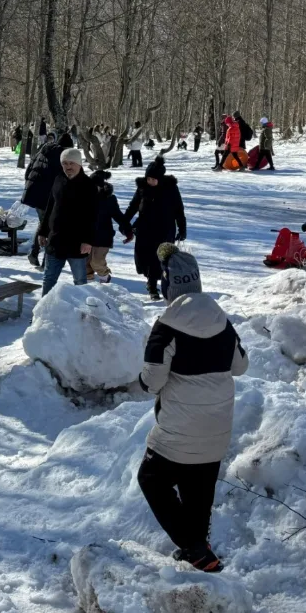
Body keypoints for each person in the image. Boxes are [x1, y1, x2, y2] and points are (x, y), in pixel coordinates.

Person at [136, 245, 248, 573]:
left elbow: (153, 380)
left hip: (178, 429)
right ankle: (202, 556)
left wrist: (143, 382)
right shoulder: (221, 321)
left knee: (151, 479)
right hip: (217, 428)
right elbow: (240, 366)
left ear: (171, 286)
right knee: (198, 491)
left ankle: (193, 546)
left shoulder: (167, 325)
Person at [125, 156, 187, 300]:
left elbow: (179, 209)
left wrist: (182, 228)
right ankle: (151, 283)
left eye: (153, 179)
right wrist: (124, 222)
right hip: (144, 229)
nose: (150, 182)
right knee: (145, 258)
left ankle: (156, 287)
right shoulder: (142, 187)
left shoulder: (170, 188)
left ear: (160, 178)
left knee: (160, 259)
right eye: (148, 179)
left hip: (164, 229)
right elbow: (133, 206)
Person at [37, 148, 96, 296]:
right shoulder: (58, 179)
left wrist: (88, 240)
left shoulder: (88, 185)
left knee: (80, 280)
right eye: (64, 163)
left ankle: (83, 313)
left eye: (71, 163)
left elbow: (93, 216)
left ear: (79, 164)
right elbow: (49, 207)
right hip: (55, 239)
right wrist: (43, 232)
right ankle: (44, 313)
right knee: (49, 279)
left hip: (77, 242)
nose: (68, 166)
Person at [22, 132, 73, 268]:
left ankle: (34, 252)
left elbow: (29, 170)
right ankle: (46, 260)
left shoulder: (43, 150)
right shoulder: (63, 157)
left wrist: (29, 185)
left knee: (44, 224)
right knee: (52, 227)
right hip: (49, 197)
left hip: (35, 193)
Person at [86, 170, 132, 283]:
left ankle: (105, 277)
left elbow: (119, 216)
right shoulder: (83, 197)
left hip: (103, 236)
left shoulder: (108, 199)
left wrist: (128, 231)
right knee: (85, 264)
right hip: (86, 236)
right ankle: (88, 285)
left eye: (96, 185)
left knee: (96, 262)